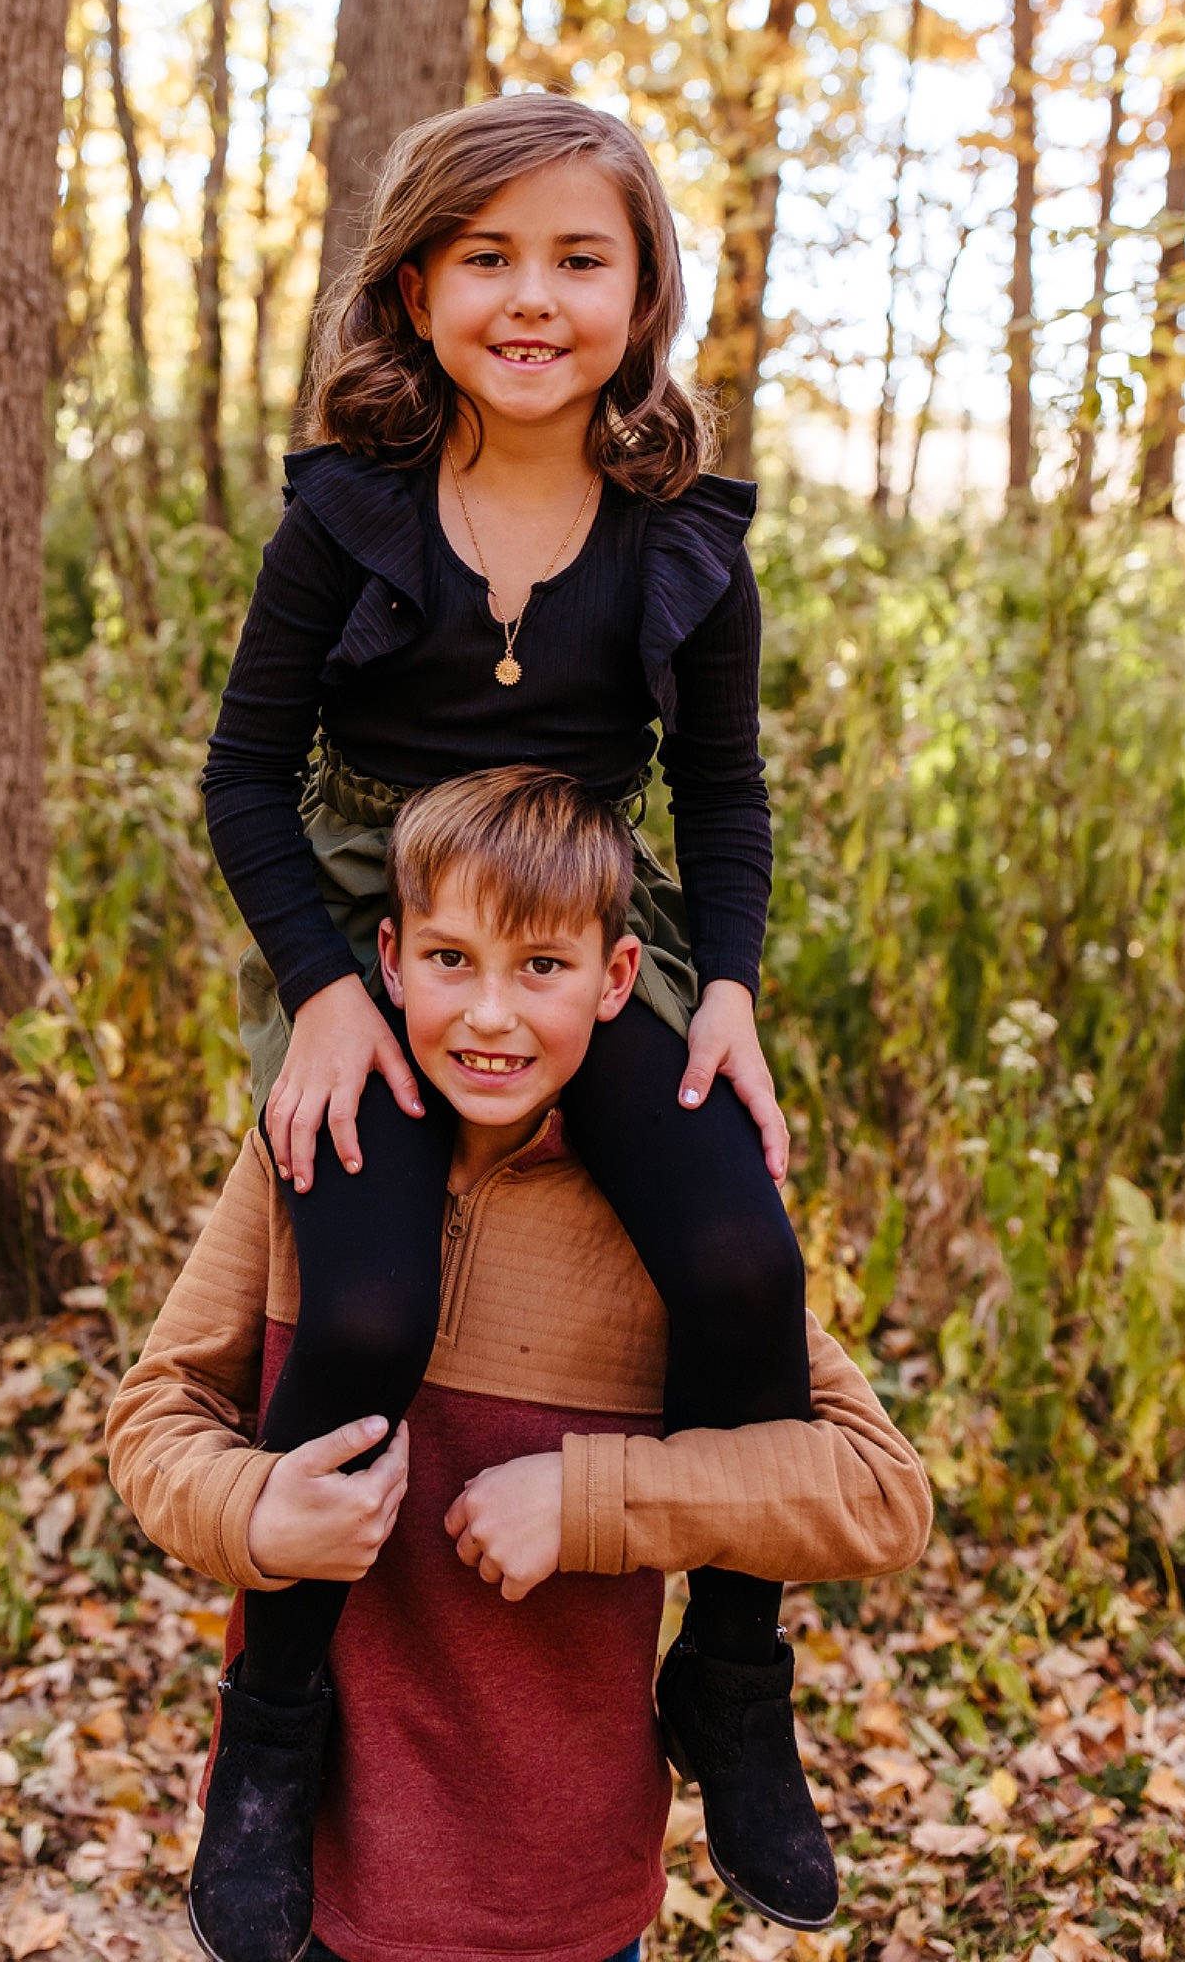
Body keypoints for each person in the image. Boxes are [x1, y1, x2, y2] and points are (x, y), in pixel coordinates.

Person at [201, 92, 825, 1952]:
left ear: (643, 297)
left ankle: (730, 1672)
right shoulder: (348, 512)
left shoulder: (679, 543)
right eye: (487, 257)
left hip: (585, 933)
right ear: (414, 281)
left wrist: (727, 988)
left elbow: (719, 796)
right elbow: (237, 776)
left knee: (734, 1248)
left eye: (579, 258)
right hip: (384, 926)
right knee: (368, 1297)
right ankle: (271, 1730)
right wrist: (321, 987)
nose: (531, 296)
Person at [107, 767, 933, 1962]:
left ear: (614, 979)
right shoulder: (308, 1146)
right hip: (305, 1876)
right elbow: (154, 1414)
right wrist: (253, 1508)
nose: (488, 1016)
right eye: (450, 959)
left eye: (540, 966)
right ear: (386, 960)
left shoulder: (668, 1223)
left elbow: (878, 1492)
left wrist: (597, 1498)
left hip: (559, 1899)